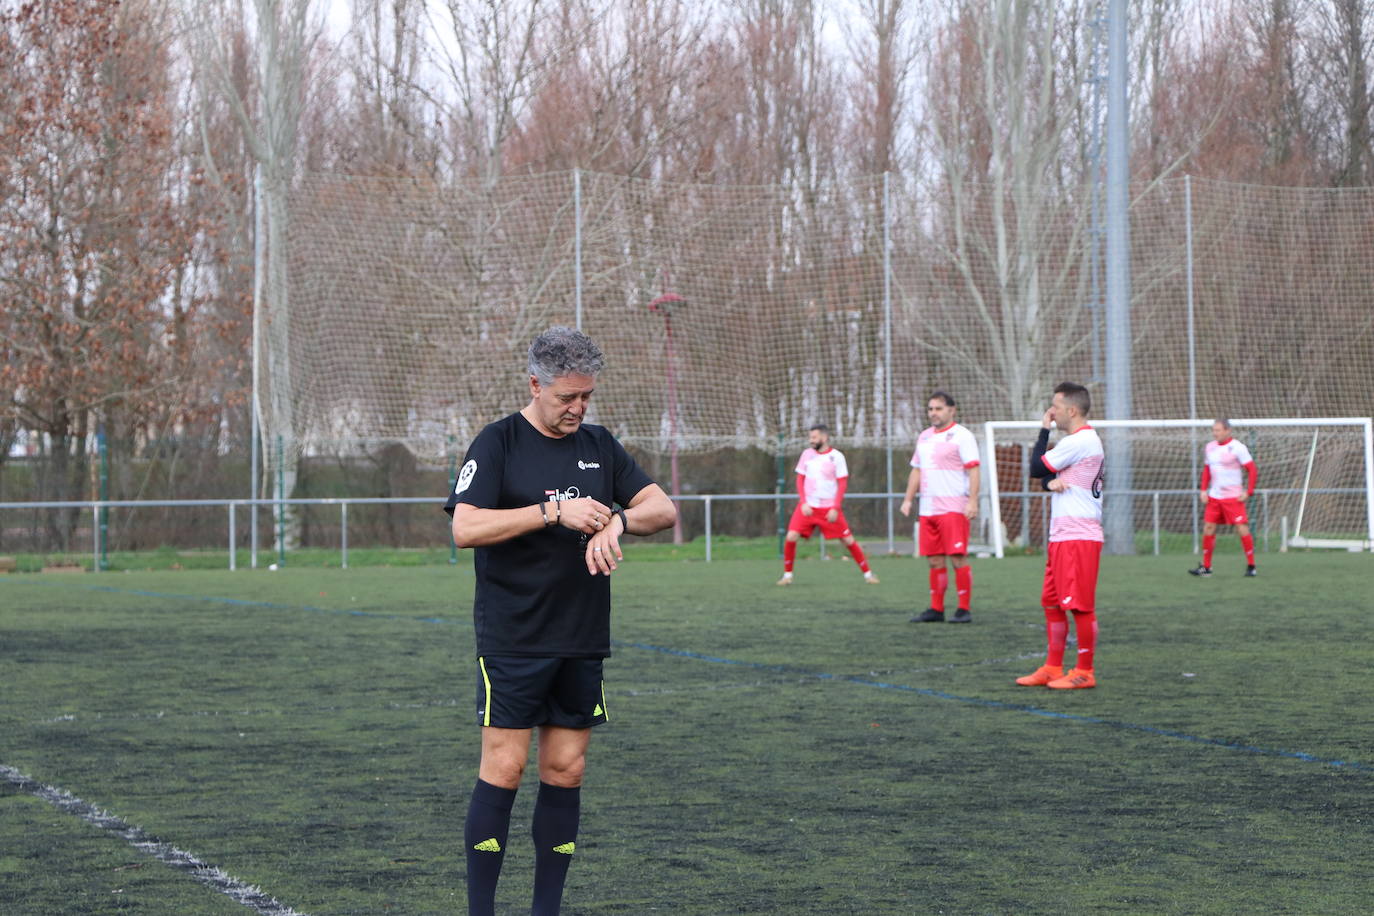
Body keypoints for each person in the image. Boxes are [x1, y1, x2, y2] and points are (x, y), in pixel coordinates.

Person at [445, 326, 677, 916]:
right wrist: (553, 511)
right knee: (506, 765)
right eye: (566, 398)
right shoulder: (497, 442)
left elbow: (663, 508)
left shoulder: (599, 444)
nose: (577, 409)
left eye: (586, 397)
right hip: (514, 634)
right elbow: (465, 527)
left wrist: (617, 522)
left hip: (580, 635)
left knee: (566, 769)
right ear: (535, 384)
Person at [1015, 382, 1104, 690]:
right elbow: (1049, 478)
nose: (1051, 411)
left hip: (1079, 536)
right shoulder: (1077, 443)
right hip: (1063, 535)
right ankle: (1053, 667)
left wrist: (1043, 431)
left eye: (1055, 405)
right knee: (1052, 602)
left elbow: (1038, 467)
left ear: (1072, 410)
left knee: (1079, 605)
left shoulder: (1080, 440)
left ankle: (1085, 671)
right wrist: (1048, 484)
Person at [900, 391, 981, 623]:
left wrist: (973, 500)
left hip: (954, 506)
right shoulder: (924, 437)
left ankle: (963, 609)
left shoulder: (962, 436)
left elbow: (974, 469)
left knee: (957, 558)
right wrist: (908, 499)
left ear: (951, 410)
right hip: (928, 509)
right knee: (934, 560)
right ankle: (936, 609)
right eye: (930, 409)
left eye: (938, 408)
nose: (933, 413)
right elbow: (917, 469)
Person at [776, 424, 880, 586]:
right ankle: (787, 575)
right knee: (791, 536)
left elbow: (842, 483)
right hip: (808, 507)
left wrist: (835, 508)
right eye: (810, 437)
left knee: (848, 541)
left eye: (814, 437)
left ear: (824, 438)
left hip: (828, 509)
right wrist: (803, 502)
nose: (811, 441)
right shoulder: (806, 455)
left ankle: (868, 575)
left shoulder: (837, 457)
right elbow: (800, 479)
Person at [1189, 418, 1258, 577]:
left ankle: (1251, 565)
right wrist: (1203, 490)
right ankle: (1206, 567)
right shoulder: (1210, 447)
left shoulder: (1238, 447)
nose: (1215, 433)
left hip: (1233, 497)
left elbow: (1252, 469)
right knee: (1208, 527)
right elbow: (1207, 470)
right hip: (1214, 497)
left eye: (1218, 430)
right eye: (1214, 430)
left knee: (1241, 528)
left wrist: (1249, 491)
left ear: (1227, 431)